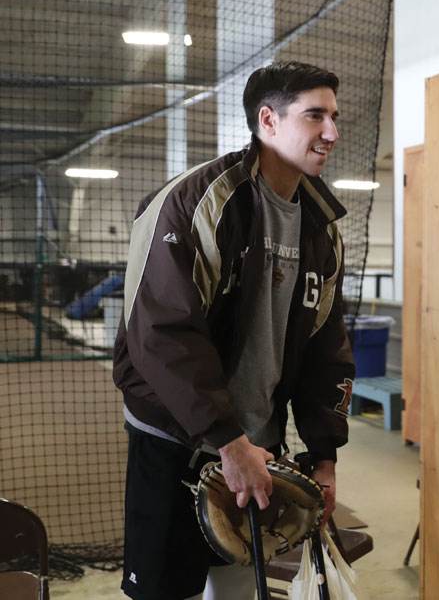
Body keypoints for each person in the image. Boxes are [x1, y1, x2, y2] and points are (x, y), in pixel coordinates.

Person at [113, 61, 355, 600]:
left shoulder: (322, 230)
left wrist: (324, 454)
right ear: (268, 120)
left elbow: (326, 350)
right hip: (176, 435)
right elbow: (162, 333)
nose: (332, 133)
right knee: (163, 589)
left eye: (334, 117)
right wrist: (226, 440)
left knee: (240, 584)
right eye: (315, 116)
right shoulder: (196, 202)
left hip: (260, 442)